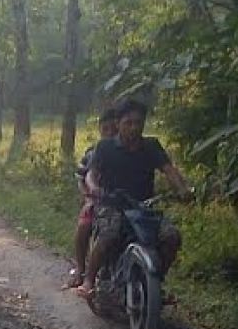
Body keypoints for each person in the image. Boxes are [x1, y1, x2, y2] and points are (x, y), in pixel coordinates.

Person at [79, 99, 193, 300]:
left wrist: (183, 189)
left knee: (171, 237)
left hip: (143, 208)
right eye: (128, 123)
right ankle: (89, 279)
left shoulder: (151, 146)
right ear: (118, 123)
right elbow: (92, 173)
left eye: (138, 123)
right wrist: (95, 188)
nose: (134, 128)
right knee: (109, 235)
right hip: (112, 205)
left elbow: (169, 170)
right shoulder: (105, 147)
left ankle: (155, 281)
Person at [65, 108, 120, 289]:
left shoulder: (124, 151)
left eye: (114, 129)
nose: (110, 133)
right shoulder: (93, 152)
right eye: (106, 129)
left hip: (120, 201)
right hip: (95, 199)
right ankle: (81, 268)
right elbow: (81, 178)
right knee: (84, 225)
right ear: (100, 129)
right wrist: (88, 197)